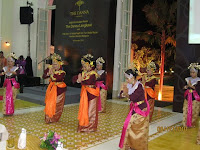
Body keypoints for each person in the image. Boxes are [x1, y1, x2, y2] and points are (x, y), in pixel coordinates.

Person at [119, 68, 150, 150]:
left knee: (134, 128)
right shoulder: (130, 85)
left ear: (132, 78)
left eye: (127, 78)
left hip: (141, 109)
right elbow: (121, 94)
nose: (126, 80)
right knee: (129, 126)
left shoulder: (139, 86)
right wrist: (122, 93)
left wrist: (125, 94)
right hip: (134, 108)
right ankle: (130, 145)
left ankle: (137, 146)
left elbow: (133, 97)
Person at [76, 54, 100, 132]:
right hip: (85, 93)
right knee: (84, 109)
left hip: (91, 93)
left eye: (85, 65)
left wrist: (81, 80)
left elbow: (88, 81)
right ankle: (83, 125)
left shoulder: (93, 73)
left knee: (90, 110)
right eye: (83, 65)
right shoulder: (84, 73)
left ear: (90, 65)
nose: (84, 67)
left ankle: (90, 127)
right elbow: (76, 79)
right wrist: (78, 79)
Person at [42, 53, 67, 123]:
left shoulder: (62, 72)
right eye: (53, 64)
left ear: (59, 64)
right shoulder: (51, 69)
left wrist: (52, 73)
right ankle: (48, 118)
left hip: (59, 90)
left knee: (57, 105)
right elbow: (44, 76)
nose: (54, 65)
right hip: (51, 88)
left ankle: (54, 118)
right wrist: (47, 73)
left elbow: (58, 78)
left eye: (55, 64)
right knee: (49, 103)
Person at [182, 63, 200, 127]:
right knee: (185, 109)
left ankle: (192, 123)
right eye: (191, 72)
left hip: (195, 97)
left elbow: (198, 89)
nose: (192, 74)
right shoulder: (187, 79)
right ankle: (185, 123)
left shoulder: (198, 80)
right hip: (188, 96)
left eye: (193, 72)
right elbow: (183, 87)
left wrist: (191, 86)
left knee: (194, 110)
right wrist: (187, 86)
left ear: (197, 73)